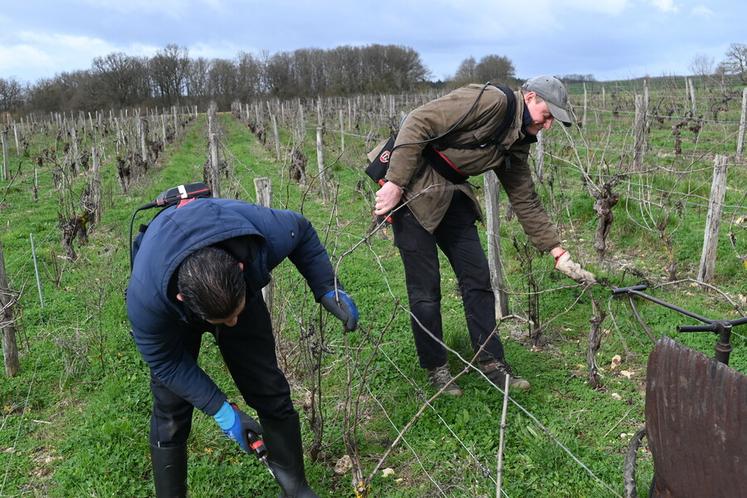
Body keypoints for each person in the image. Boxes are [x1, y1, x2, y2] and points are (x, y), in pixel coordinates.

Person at [373, 75, 595, 395]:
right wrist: (394, 183)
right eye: (548, 116)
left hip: (453, 194)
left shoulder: (518, 143)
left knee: (478, 278)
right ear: (530, 98)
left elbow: (524, 198)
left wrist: (556, 251)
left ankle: (491, 362)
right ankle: (437, 369)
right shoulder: (492, 101)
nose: (548, 126)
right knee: (425, 289)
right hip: (412, 189)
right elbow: (418, 121)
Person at [126, 197, 358, 497]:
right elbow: (166, 363)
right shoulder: (147, 299)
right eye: (225, 319)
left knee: (268, 387)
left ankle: (295, 487)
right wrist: (222, 410)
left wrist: (326, 286)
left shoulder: (260, 236)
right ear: (184, 301)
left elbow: (300, 229)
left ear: (239, 268)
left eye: (237, 313)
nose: (233, 323)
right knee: (171, 407)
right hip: (170, 299)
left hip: (224, 258)